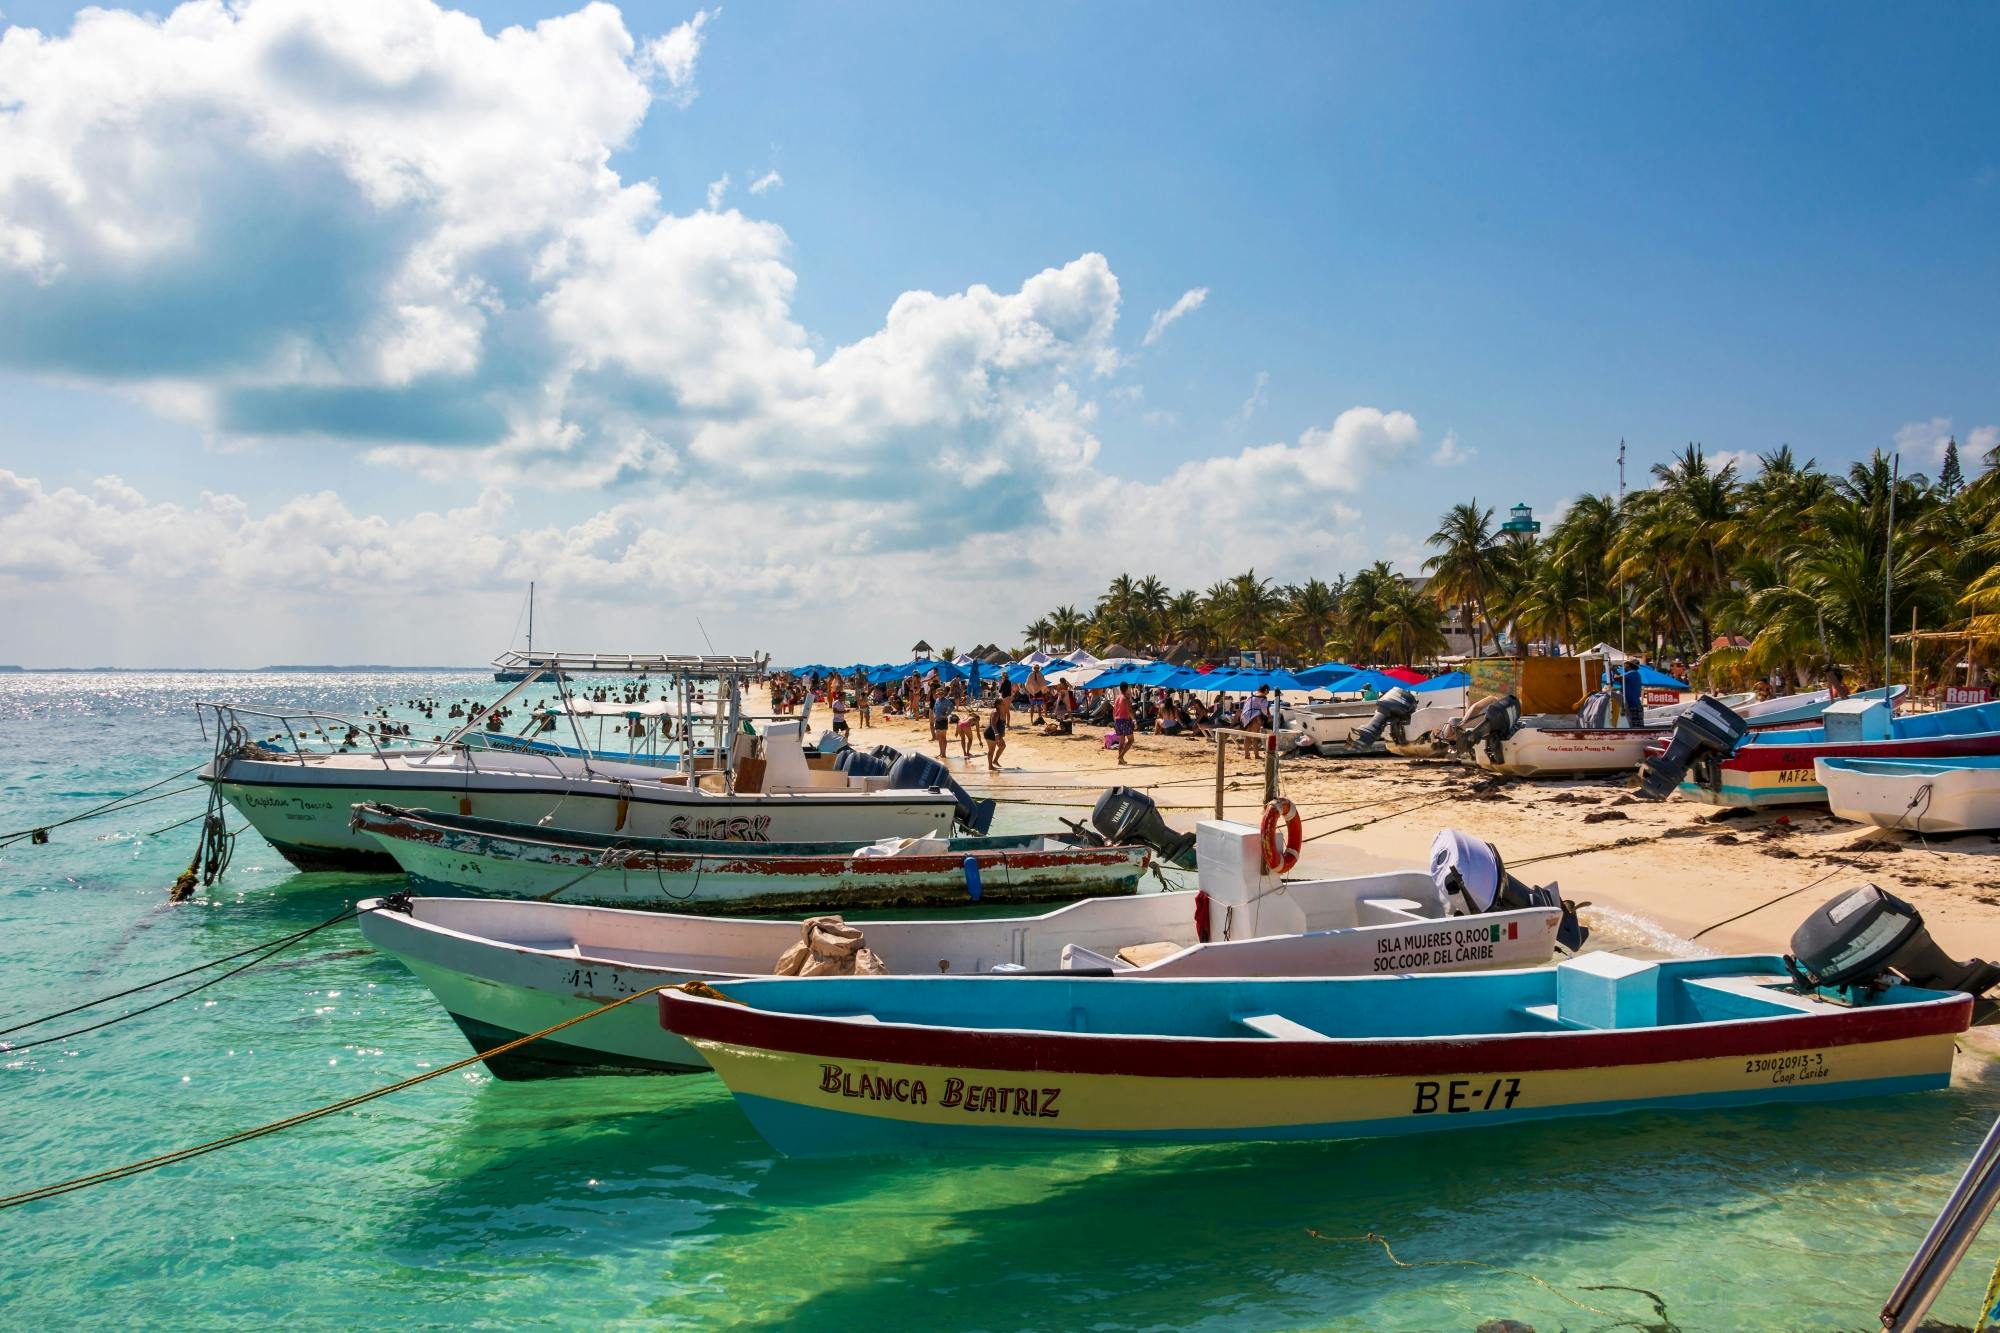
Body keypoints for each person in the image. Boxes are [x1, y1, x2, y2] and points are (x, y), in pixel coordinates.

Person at [987, 681, 1012, 771]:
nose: (1004, 704)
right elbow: (993, 724)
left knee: (1002, 746)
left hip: (997, 733)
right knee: (991, 750)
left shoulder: (1001, 712)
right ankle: (990, 766)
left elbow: (1001, 724)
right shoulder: (995, 712)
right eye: (1002, 703)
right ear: (998, 705)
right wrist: (997, 734)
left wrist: (1001, 733)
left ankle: (995, 761)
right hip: (991, 733)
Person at [1111, 682, 1137, 764]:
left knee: (1121, 741)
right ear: (1127, 688)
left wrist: (1115, 720)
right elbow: (1130, 711)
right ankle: (1121, 756)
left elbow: (1114, 711)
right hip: (1125, 720)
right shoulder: (1126, 698)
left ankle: (1120, 761)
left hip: (1117, 720)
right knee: (1131, 740)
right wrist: (1134, 720)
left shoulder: (1117, 698)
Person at [930, 689, 952, 759]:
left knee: (943, 737)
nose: (940, 695)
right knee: (939, 738)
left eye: (941, 693)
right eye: (938, 693)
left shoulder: (946, 700)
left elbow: (952, 707)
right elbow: (934, 709)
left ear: (943, 694)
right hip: (937, 720)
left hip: (943, 720)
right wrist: (934, 715)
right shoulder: (937, 700)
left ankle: (944, 753)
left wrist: (946, 715)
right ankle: (941, 753)